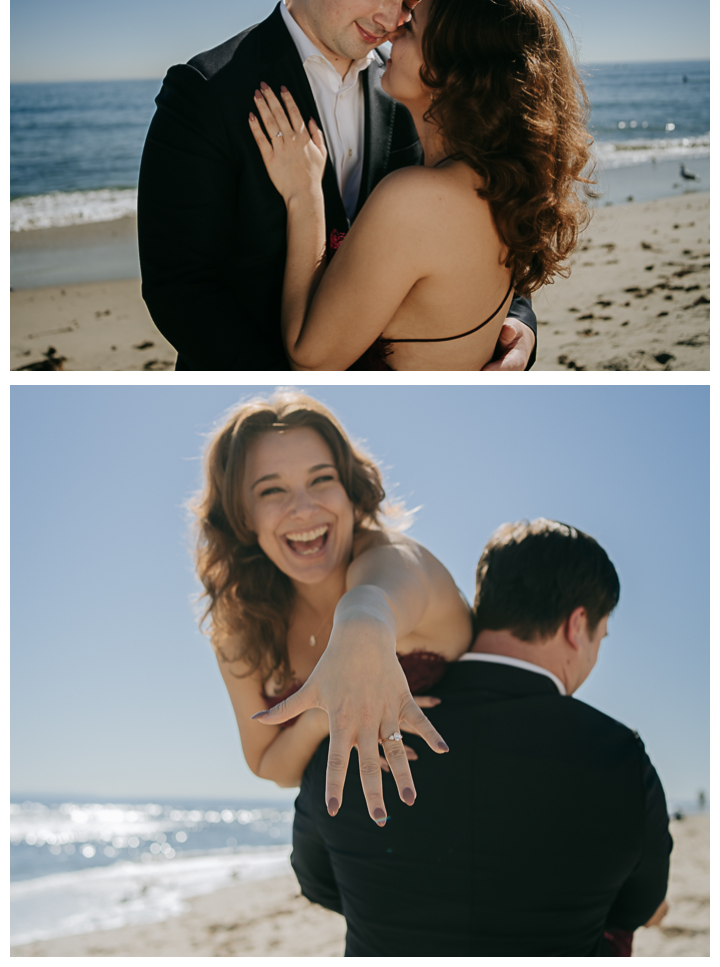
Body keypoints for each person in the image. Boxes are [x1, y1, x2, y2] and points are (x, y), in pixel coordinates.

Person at [138, 0, 538, 371]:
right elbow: (180, 286)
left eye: (411, 3)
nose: (390, 21)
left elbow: (482, 211)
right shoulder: (207, 89)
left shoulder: (418, 88)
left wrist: (519, 325)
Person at [292, 519, 673, 957]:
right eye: (599, 638)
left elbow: (317, 881)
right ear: (577, 625)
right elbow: (637, 906)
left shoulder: (359, 731)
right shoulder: (619, 757)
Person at [250, 0, 593, 370]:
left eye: (411, 28)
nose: (392, 30)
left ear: (451, 71)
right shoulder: (503, 186)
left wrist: (303, 194)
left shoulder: (415, 199)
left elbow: (311, 358)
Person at [192, 389, 473, 824]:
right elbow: (270, 766)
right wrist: (322, 716)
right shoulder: (240, 626)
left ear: (349, 489)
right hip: (351, 864)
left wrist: (362, 629)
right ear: (243, 515)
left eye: (322, 479)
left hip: (465, 820)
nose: (303, 509)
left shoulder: (394, 557)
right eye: (271, 490)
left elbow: (373, 602)